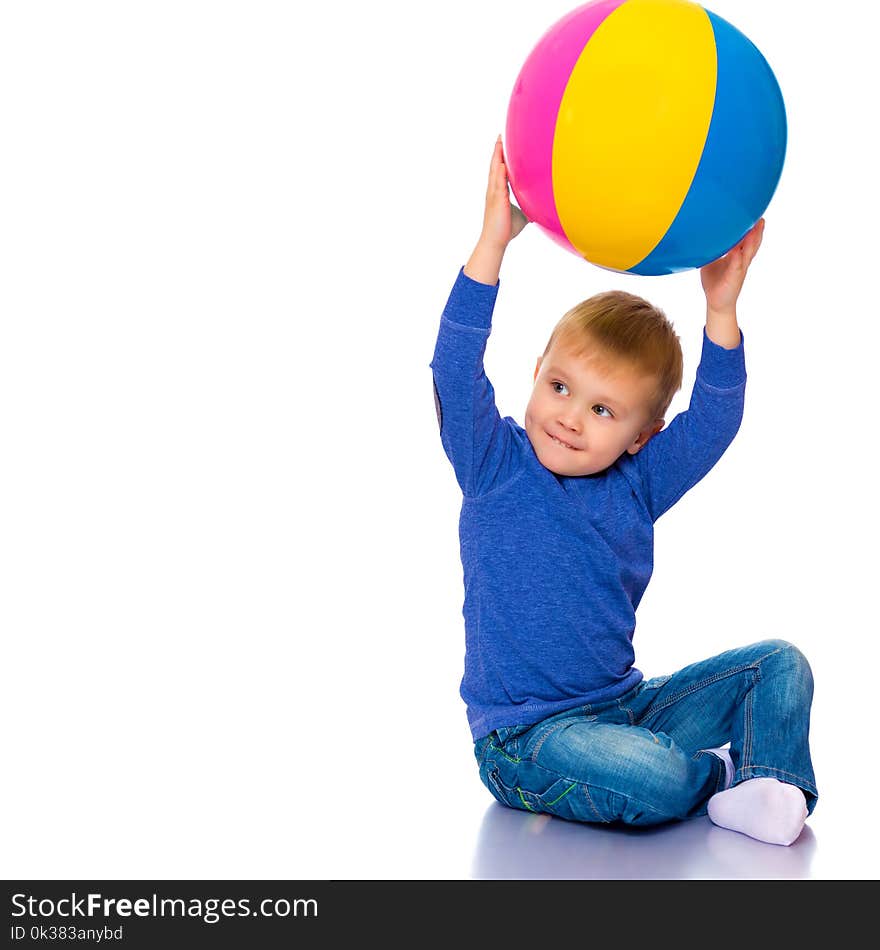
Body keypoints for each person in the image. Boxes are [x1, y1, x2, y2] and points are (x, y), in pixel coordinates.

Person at [429, 135, 817, 846]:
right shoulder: (494, 465)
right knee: (654, 780)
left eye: (604, 410)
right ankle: (716, 779)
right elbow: (453, 369)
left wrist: (721, 311)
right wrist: (493, 246)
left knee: (779, 664)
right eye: (560, 387)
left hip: (627, 707)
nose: (570, 417)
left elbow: (714, 422)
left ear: (642, 435)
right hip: (527, 740)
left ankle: (770, 779)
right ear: (536, 372)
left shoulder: (636, 486)